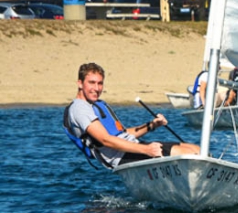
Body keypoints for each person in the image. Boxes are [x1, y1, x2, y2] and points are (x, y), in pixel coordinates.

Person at [65, 62, 200, 167]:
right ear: (80, 83)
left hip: (133, 147)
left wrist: (152, 125)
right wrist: (146, 150)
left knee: (196, 149)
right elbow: (106, 140)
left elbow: (123, 133)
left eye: (100, 83)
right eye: (91, 83)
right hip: (122, 158)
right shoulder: (79, 109)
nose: (97, 88)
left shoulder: (96, 104)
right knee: (188, 154)